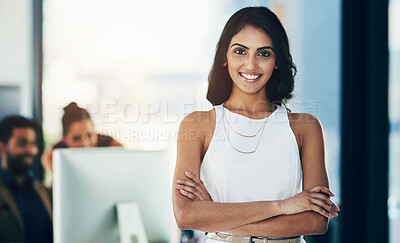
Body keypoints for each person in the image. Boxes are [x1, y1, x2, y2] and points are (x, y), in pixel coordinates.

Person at [172, 6, 340, 243]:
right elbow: (186, 215)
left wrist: (217, 215)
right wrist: (283, 206)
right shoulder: (196, 125)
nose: (251, 65)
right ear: (224, 57)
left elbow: (315, 221)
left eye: (263, 54)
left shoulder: (305, 127)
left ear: (278, 61)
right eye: (240, 51)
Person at [41, 102, 122, 186]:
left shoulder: (110, 143)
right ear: (64, 139)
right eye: (76, 138)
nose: (85, 144)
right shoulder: (56, 152)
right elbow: (46, 158)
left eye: (89, 135)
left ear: (95, 133)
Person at [0, 116, 53, 243]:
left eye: (33, 143)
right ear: (2, 147)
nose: (31, 150)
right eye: (22, 143)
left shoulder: (42, 191)